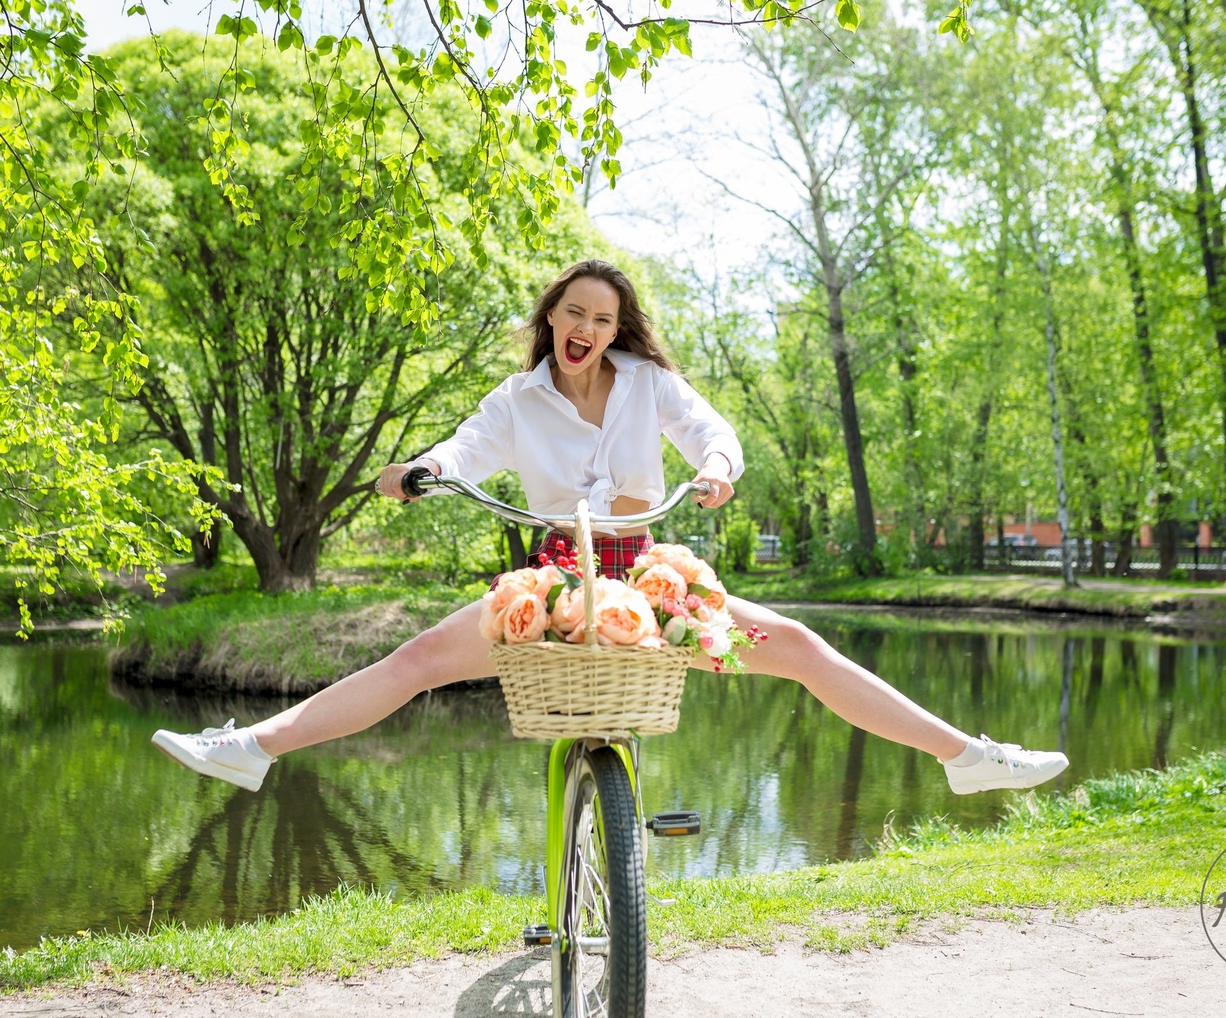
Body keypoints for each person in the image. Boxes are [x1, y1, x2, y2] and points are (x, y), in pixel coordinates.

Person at [152, 259, 1068, 796]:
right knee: (415, 664)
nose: (586, 328)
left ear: (619, 328)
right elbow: (464, 450)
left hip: (653, 577)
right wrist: (425, 473)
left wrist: (717, 466)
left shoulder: (646, 383)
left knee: (797, 645)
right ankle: (250, 749)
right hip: (553, 585)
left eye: (604, 317)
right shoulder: (517, 399)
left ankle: (967, 757)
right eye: (573, 313)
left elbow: (713, 429)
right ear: (550, 317)